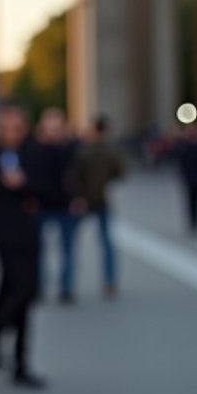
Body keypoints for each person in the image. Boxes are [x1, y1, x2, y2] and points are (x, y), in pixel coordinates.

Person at [0, 101, 46, 388]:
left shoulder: (34, 153)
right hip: (3, 232)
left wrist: (24, 184)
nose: (11, 132)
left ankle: (14, 358)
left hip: (30, 230)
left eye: (16, 127)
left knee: (14, 290)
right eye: (6, 127)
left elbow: (51, 189)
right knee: (23, 289)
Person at [31, 107, 84, 304]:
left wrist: (78, 198)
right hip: (41, 206)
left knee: (68, 249)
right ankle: (39, 287)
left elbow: (80, 176)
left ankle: (66, 287)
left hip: (66, 206)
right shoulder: (35, 149)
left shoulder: (72, 149)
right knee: (39, 250)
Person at [73, 116, 127, 296]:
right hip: (102, 199)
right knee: (106, 244)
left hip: (84, 200)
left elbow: (75, 174)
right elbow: (121, 172)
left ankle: (67, 283)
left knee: (70, 242)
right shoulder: (111, 151)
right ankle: (110, 281)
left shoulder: (84, 150)